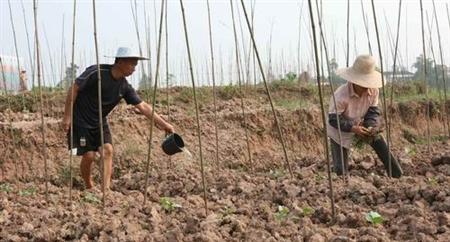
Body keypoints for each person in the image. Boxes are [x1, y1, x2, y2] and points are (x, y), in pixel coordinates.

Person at [62, 47, 174, 190]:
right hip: (81, 119)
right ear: (120, 62)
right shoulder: (97, 72)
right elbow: (74, 88)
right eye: (132, 64)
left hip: (99, 121)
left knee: (107, 150)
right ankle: (89, 185)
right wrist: (67, 116)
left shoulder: (124, 86)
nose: (134, 69)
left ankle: (105, 190)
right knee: (89, 155)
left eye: (135, 65)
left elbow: (143, 107)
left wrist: (165, 125)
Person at [327, 54, 403, 178]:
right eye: (363, 83)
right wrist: (353, 128)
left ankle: (396, 174)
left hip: (360, 124)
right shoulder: (340, 96)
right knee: (340, 170)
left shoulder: (373, 91)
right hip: (339, 130)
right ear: (354, 81)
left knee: (378, 140)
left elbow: (372, 112)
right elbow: (334, 119)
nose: (366, 86)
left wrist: (371, 125)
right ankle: (342, 183)